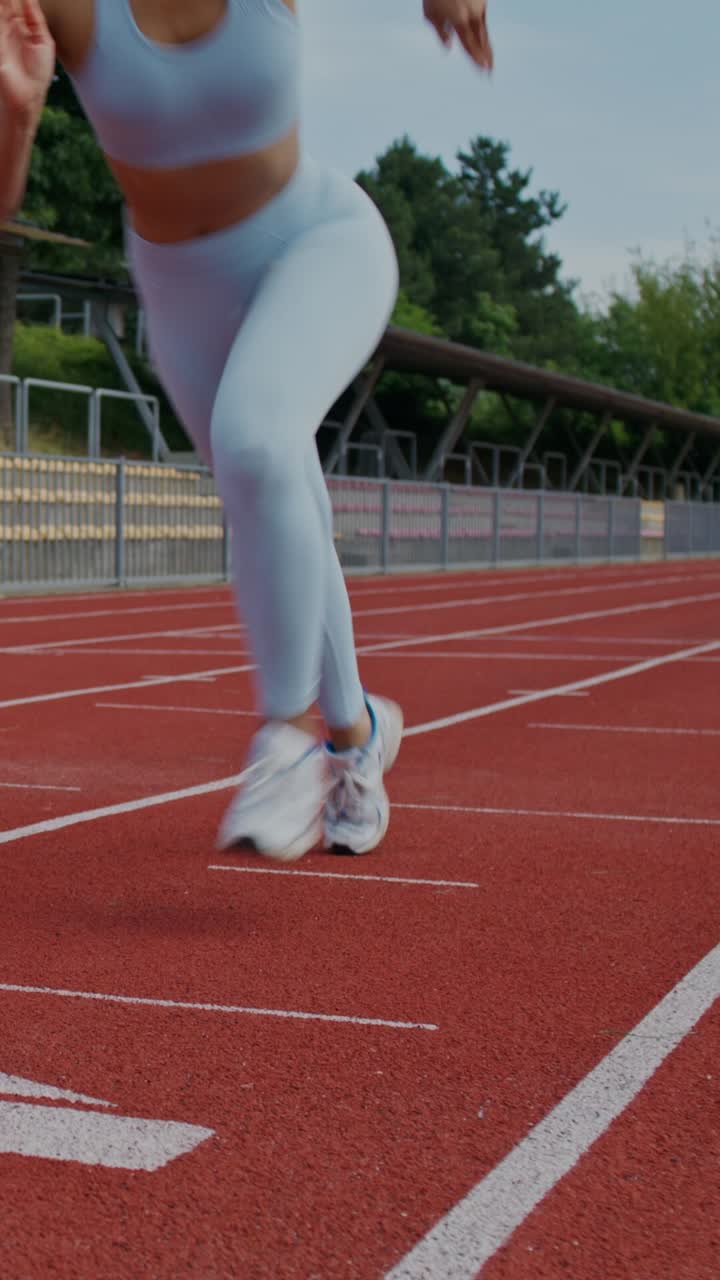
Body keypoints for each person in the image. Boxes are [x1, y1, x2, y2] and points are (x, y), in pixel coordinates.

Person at [0, 0, 493, 861]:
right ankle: (357, 732)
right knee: (276, 492)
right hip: (182, 292)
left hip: (316, 241)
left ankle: (287, 736)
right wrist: (18, 108)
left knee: (259, 440)